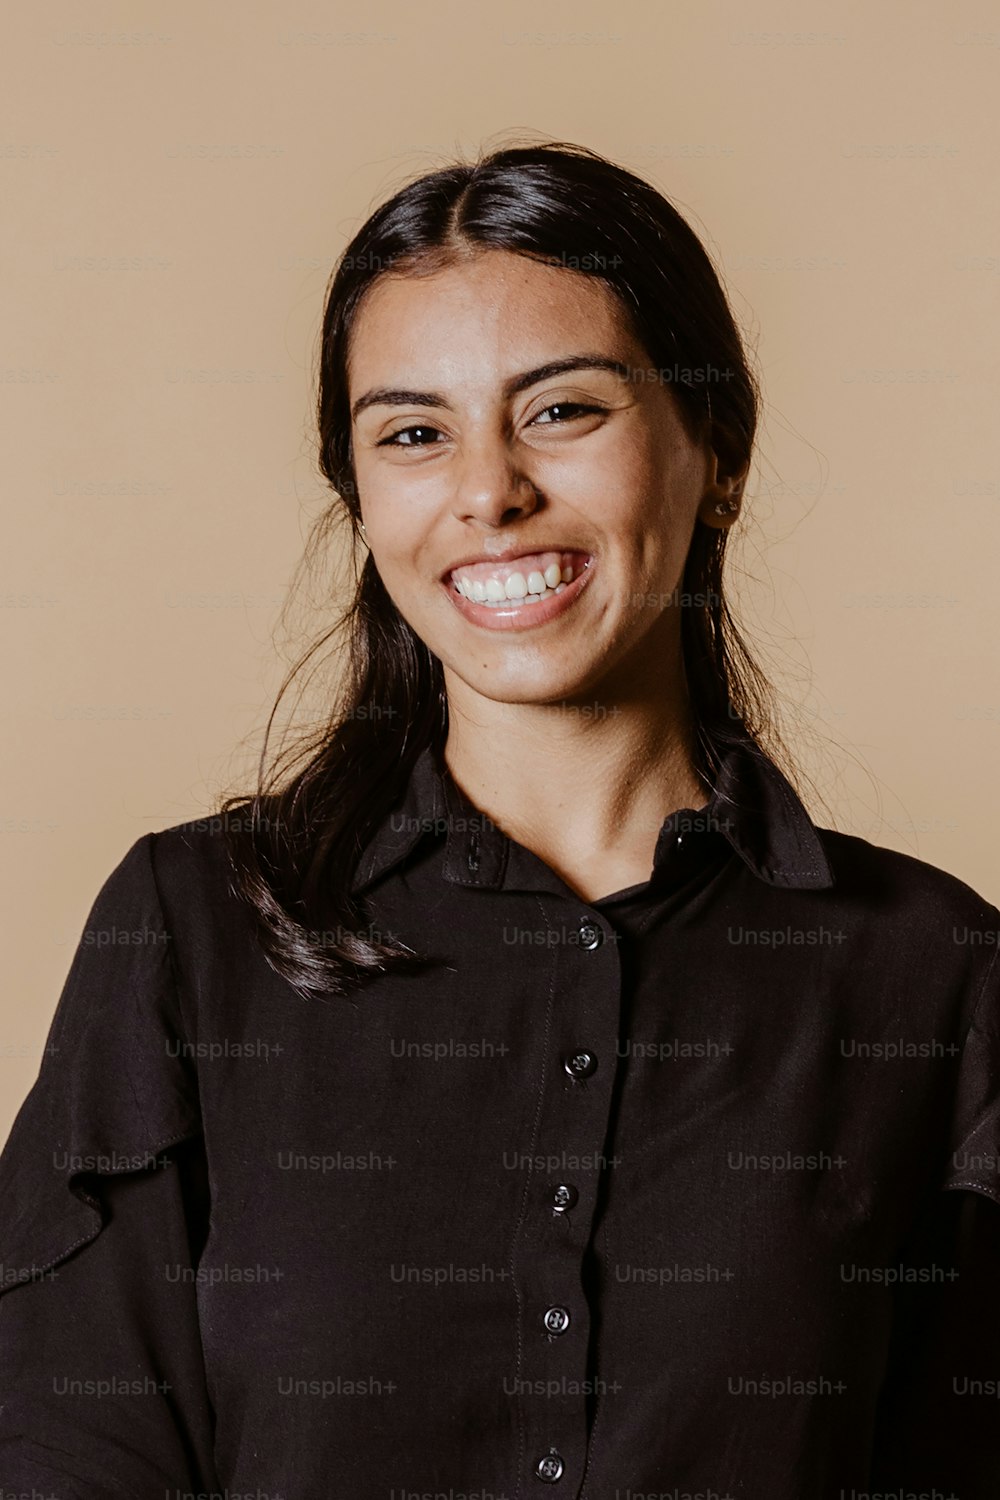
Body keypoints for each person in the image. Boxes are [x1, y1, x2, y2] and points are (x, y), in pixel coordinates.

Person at [2, 139, 999, 1500]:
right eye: (413, 433)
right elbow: (68, 1456)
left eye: (562, 411)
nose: (487, 491)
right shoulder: (191, 934)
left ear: (718, 452)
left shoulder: (936, 975)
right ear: (361, 500)